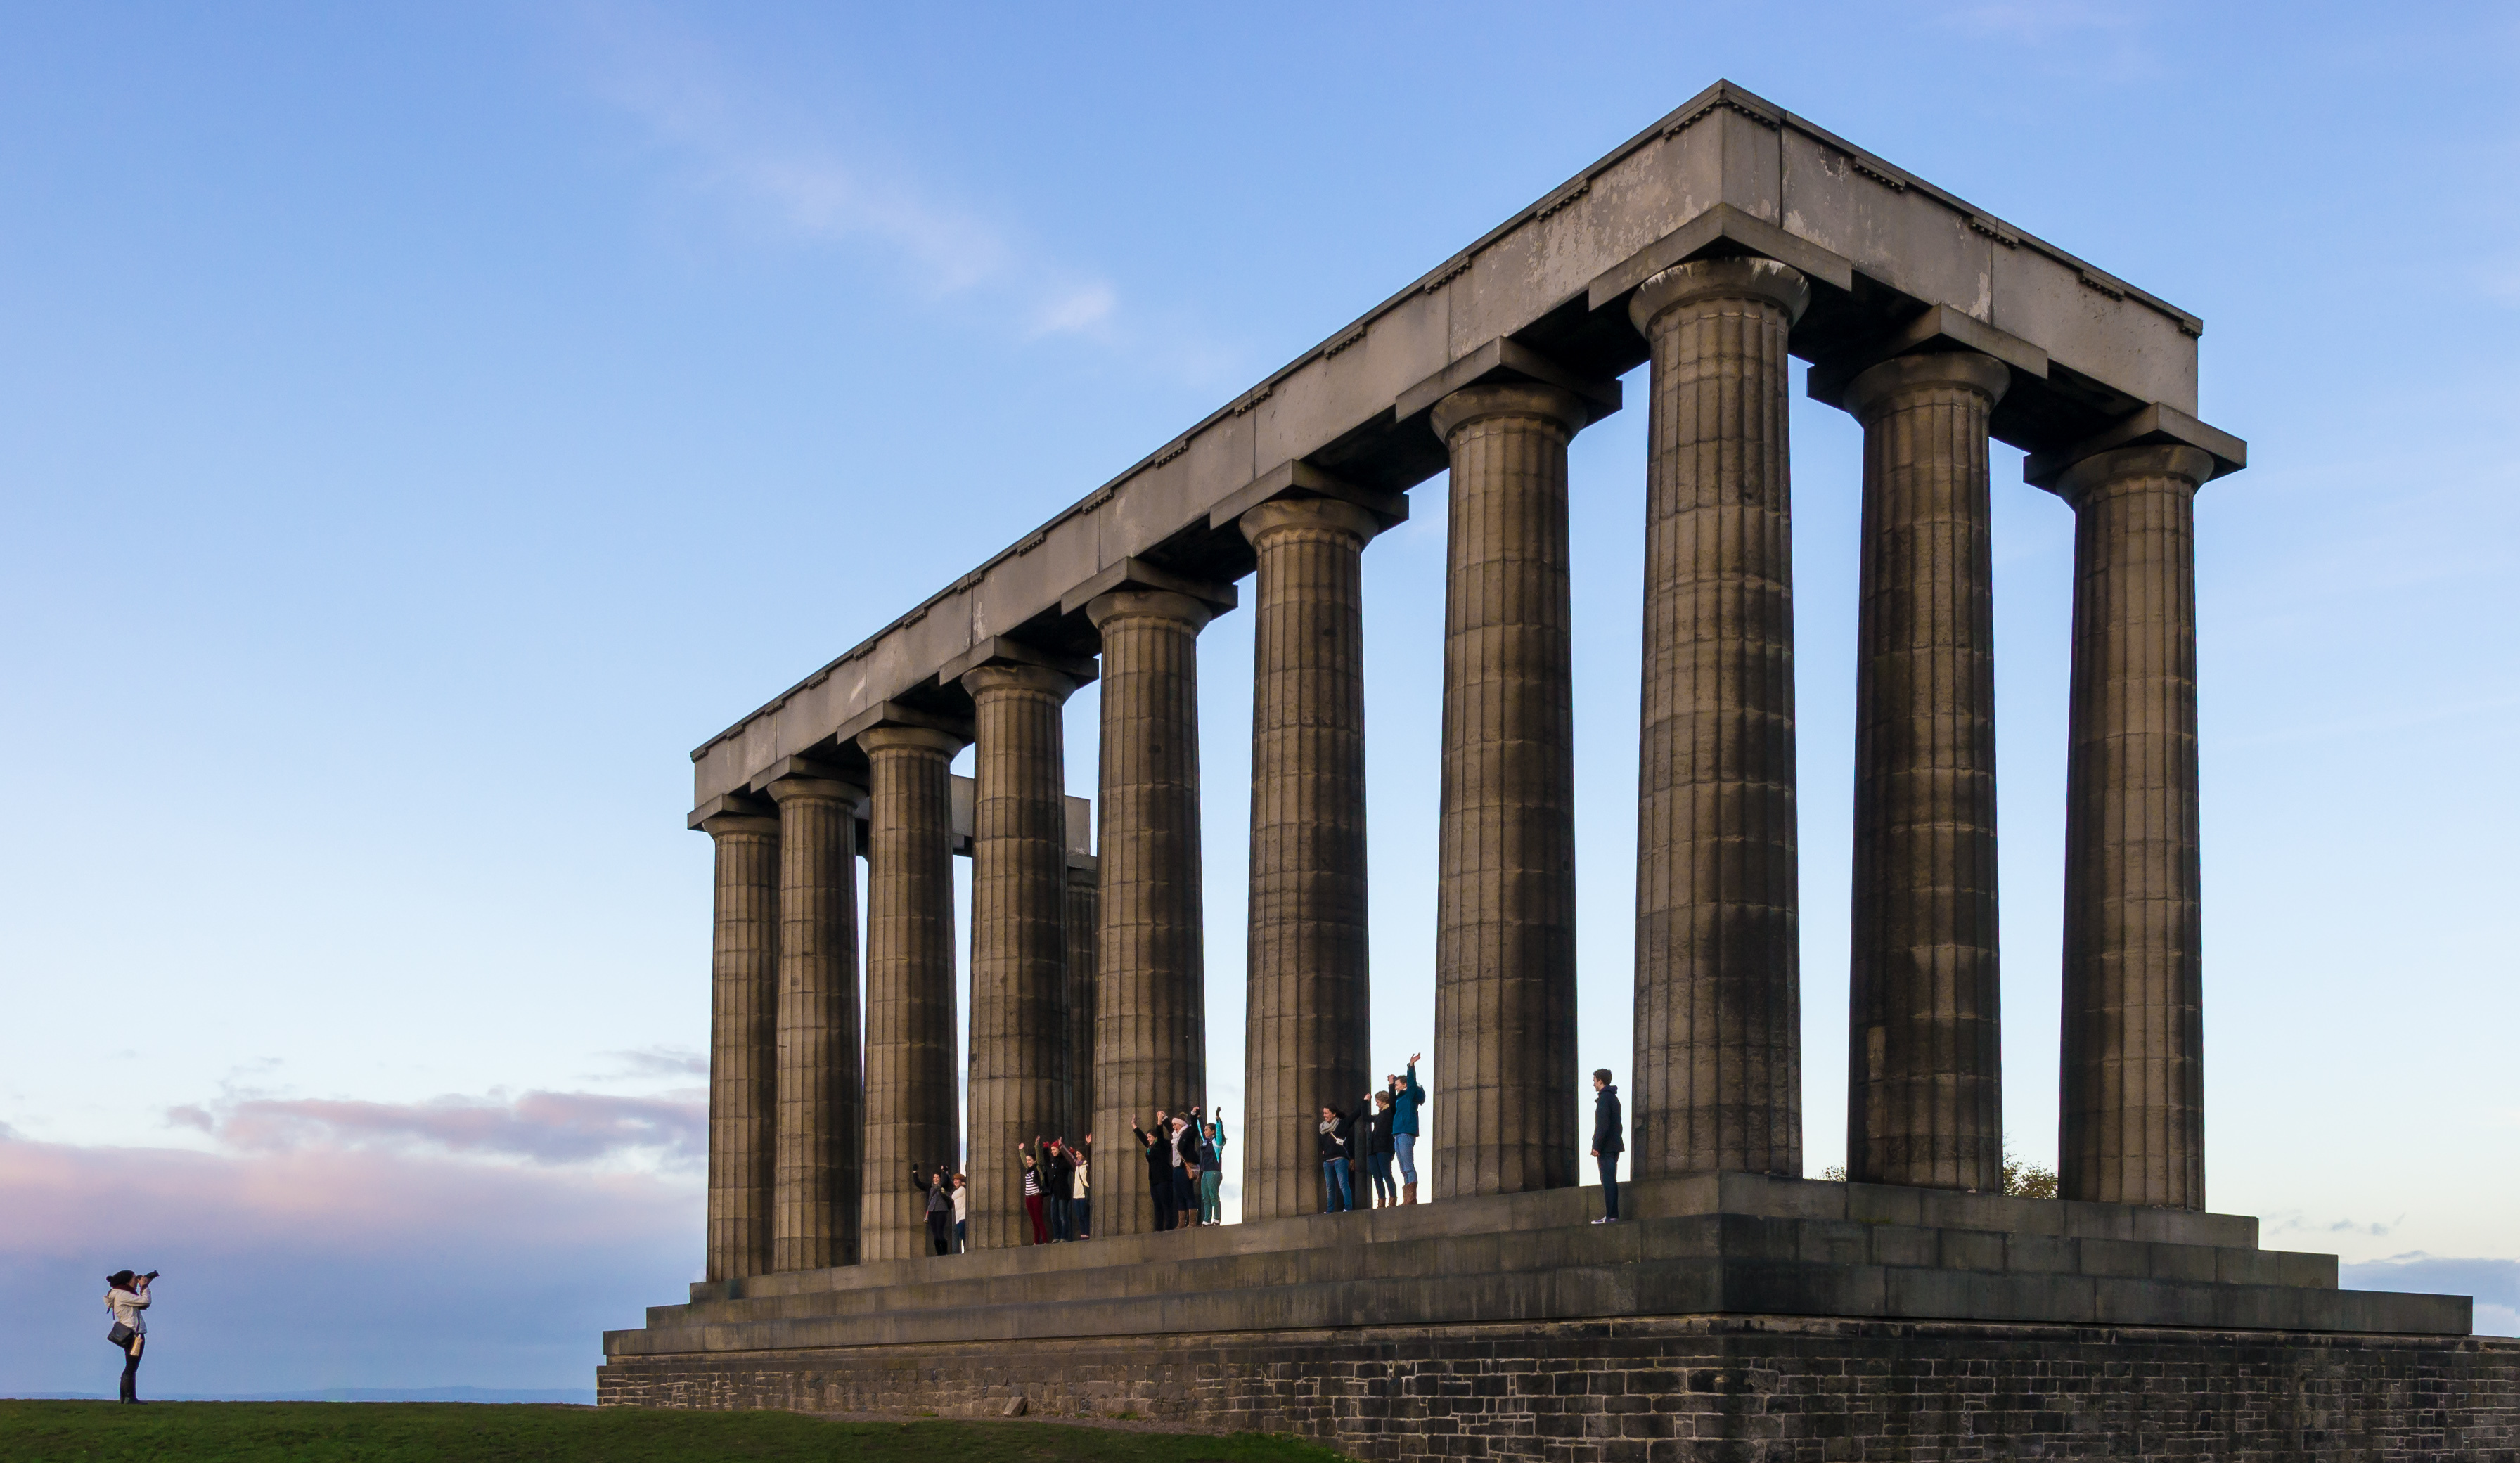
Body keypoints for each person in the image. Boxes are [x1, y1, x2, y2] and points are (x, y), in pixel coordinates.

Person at [104, 1270, 154, 1403]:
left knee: (130, 1365)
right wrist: (144, 1287)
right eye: (134, 1279)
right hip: (135, 1334)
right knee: (132, 1366)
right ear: (127, 1281)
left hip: (128, 1333)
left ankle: (125, 1397)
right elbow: (145, 1301)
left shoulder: (118, 1293)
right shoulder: (123, 1295)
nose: (136, 1282)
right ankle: (129, 1397)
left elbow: (140, 1304)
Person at [1387, 1053, 1427, 1204]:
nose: (1396, 1087)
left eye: (1397, 1085)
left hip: (1406, 1132)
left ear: (1404, 1085)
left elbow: (1412, 1081)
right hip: (1397, 1133)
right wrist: (1391, 1084)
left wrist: (1411, 1066)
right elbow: (1392, 1102)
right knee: (1403, 1167)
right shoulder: (1400, 1098)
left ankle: (1412, 1197)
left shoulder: (1410, 1095)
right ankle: (1408, 1198)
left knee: (1408, 1166)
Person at [1590, 1068, 1624, 1224]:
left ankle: (1611, 1216)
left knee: (1608, 1181)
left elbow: (1602, 1125)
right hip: (1613, 1146)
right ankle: (1612, 1215)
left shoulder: (1604, 1099)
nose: (1594, 1084)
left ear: (1600, 1081)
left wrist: (1596, 1146)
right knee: (1611, 1180)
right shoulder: (1614, 1099)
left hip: (1606, 1148)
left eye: (1595, 1080)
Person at [1131, 1114, 1176, 1230]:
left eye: (1150, 1137)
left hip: (1164, 1179)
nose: (1148, 1139)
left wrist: (1159, 1121)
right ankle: (1158, 1228)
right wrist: (1134, 1125)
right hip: (1154, 1180)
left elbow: (1160, 1136)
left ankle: (1169, 1227)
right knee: (1157, 1205)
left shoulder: (1162, 1145)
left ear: (1155, 1137)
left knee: (1166, 1204)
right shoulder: (1150, 1147)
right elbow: (1142, 1138)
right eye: (1148, 1137)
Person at [1363, 1090, 1399, 1208]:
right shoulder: (1379, 1115)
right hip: (1373, 1149)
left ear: (1383, 1101)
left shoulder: (1391, 1112)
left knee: (1386, 1174)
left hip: (1384, 1147)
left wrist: (1391, 1085)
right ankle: (1381, 1201)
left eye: (1378, 1102)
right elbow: (1366, 1117)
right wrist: (1365, 1102)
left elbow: (1393, 1101)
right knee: (1377, 1177)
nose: (1377, 1104)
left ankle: (1392, 1199)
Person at [909, 1166, 955, 1256]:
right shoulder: (930, 1187)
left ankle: (944, 1252)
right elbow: (918, 1183)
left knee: (940, 1234)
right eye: (935, 1177)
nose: (936, 1179)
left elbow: (947, 1180)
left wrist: (944, 1171)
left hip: (941, 1211)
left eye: (938, 1178)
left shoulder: (944, 1186)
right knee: (935, 1236)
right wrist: (915, 1172)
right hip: (932, 1212)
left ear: (940, 1179)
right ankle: (939, 1254)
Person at [1317, 1103, 1354, 1213]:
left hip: (1340, 1159)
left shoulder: (1340, 1124)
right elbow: (1321, 1143)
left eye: (1326, 1113)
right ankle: (1330, 1209)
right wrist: (1324, 1151)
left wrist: (1365, 1101)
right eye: (1324, 1113)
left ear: (1334, 1114)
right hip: (1327, 1161)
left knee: (1343, 1184)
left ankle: (1348, 1207)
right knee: (1330, 1187)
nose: (1324, 1115)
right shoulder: (1322, 1128)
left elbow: (1354, 1116)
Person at [1196, 1109, 1228, 1225]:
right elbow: (1200, 1129)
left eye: (1207, 1130)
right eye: (1205, 1130)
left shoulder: (1217, 1143)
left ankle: (1217, 1219)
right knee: (1206, 1197)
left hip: (1214, 1171)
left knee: (1213, 1195)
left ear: (1212, 1131)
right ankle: (1207, 1219)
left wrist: (1218, 1120)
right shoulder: (1206, 1142)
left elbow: (1219, 1133)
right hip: (1205, 1172)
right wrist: (1199, 1117)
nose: (1205, 1132)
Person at [1041, 1137, 1075, 1242]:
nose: (1053, 1152)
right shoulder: (1054, 1162)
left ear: (1059, 1149)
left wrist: (1070, 1152)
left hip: (1063, 1193)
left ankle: (1064, 1237)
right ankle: (1056, 1236)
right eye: (1052, 1150)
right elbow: (1047, 1162)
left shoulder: (1064, 1161)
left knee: (1063, 1216)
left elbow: (1073, 1165)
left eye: (1054, 1149)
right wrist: (1045, 1149)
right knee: (1054, 1216)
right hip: (1055, 1193)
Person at [1169, 1115, 1200, 1226]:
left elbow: (1195, 1129)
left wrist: (1194, 1115)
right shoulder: (1175, 1135)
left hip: (1184, 1167)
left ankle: (1192, 1222)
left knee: (1188, 1193)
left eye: (1175, 1124)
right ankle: (1181, 1222)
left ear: (1181, 1124)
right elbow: (1169, 1127)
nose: (1173, 1127)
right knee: (1179, 1195)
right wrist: (1163, 1119)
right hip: (1176, 1167)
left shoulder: (1187, 1133)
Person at [1017, 1142, 1049, 1244]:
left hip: (1036, 1196)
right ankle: (1036, 1242)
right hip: (1028, 1197)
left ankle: (1045, 1241)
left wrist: (1036, 1147)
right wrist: (1021, 1151)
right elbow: (1023, 1161)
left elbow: (1040, 1159)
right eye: (1027, 1160)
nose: (1028, 1162)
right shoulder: (1028, 1170)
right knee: (1034, 1221)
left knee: (1039, 1220)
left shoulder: (1038, 1169)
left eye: (1030, 1160)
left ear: (1034, 1161)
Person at [1072, 1135, 1093, 1239]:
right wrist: (1061, 1147)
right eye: (1077, 1154)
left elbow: (1089, 1156)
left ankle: (1087, 1233)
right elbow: (1069, 1157)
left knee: (1085, 1215)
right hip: (1076, 1194)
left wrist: (1088, 1145)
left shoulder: (1087, 1164)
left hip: (1084, 1194)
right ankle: (1082, 1234)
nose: (1077, 1156)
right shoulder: (1077, 1165)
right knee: (1079, 1216)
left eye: (1079, 1154)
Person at [951, 1172, 968, 1252]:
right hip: (959, 1217)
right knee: (962, 1235)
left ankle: (966, 1250)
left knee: (963, 1234)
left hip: (963, 1217)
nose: (955, 1182)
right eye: (954, 1180)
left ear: (961, 1181)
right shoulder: (958, 1191)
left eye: (957, 1180)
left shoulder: (962, 1190)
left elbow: (953, 1196)